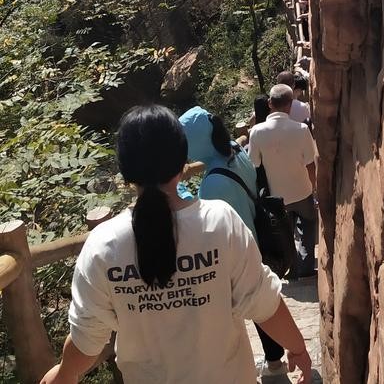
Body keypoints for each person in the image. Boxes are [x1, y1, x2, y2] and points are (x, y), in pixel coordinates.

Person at [39, 105, 311, 384]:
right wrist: (298, 347)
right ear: (183, 160)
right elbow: (264, 302)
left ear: (125, 171)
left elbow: (87, 338)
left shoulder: (102, 245)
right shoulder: (219, 222)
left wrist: (64, 375)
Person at [179, 106, 287, 380]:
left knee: (256, 306)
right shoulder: (233, 150)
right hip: (257, 232)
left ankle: (274, 362)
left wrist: (179, 191)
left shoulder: (213, 183)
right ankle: (277, 357)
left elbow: (207, 220)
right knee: (263, 295)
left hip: (242, 247)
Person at [249, 86, 317, 280]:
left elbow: (254, 162)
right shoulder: (302, 130)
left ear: (270, 103)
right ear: (290, 105)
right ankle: (306, 265)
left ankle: (293, 268)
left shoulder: (256, 132)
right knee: (308, 226)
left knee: (285, 232)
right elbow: (310, 163)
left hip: (277, 196)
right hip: (303, 189)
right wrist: (313, 188)